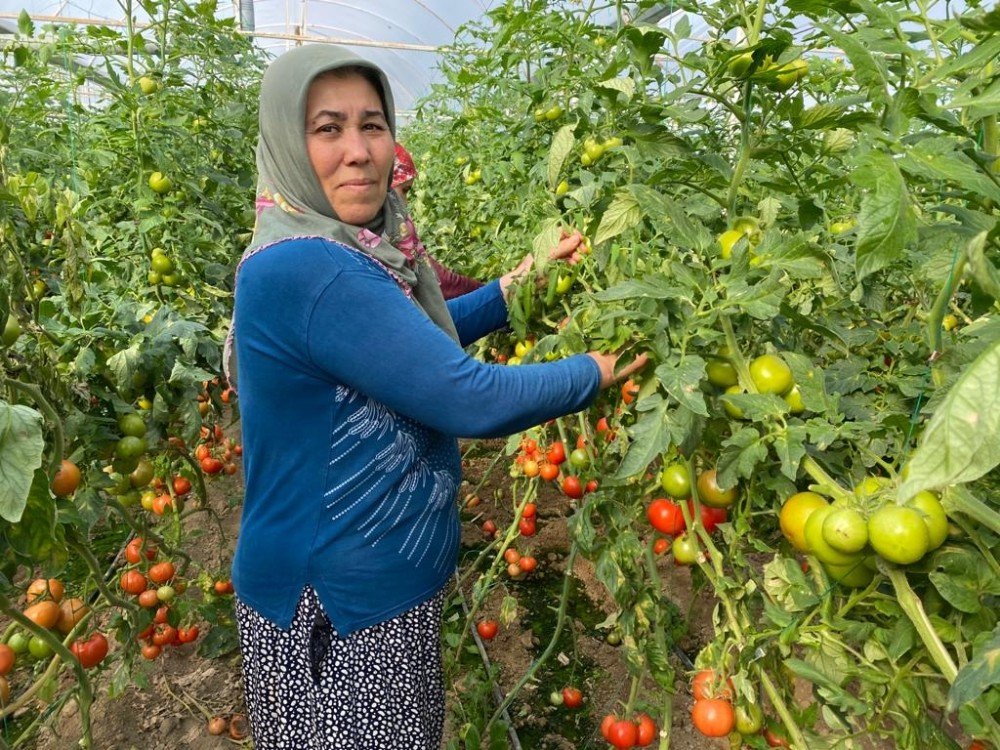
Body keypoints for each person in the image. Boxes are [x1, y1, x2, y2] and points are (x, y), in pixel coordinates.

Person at [227, 44, 645, 750]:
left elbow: (410, 342)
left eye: (373, 124)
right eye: (327, 129)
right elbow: (466, 396)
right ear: (286, 142)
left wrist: (514, 289)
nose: (358, 151)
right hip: (336, 603)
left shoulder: (343, 249)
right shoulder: (313, 268)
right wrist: (593, 372)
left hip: (364, 588)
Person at [390, 142, 484, 299]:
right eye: (404, 190)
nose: (405, 202)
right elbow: (441, 282)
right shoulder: (395, 230)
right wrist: (491, 292)